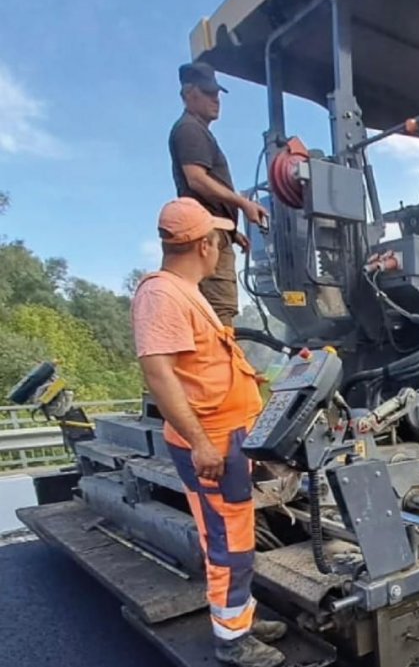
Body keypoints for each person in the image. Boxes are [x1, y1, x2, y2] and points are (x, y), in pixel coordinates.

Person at [131, 197, 285, 667]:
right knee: (228, 542)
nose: (221, 249)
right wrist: (200, 443)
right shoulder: (162, 294)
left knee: (234, 535)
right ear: (202, 245)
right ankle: (233, 640)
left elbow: (201, 365)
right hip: (214, 443)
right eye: (217, 240)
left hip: (227, 436)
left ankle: (241, 615)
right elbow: (159, 374)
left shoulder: (185, 290)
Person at [169, 61, 269, 327]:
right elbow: (196, 179)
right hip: (208, 237)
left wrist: (232, 230)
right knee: (219, 316)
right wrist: (242, 204)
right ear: (190, 93)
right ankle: (220, 367)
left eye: (217, 93)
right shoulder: (190, 129)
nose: (216, 100)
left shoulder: (198, 130)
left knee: (215, 315)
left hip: (215, 232)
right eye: (209, 93)